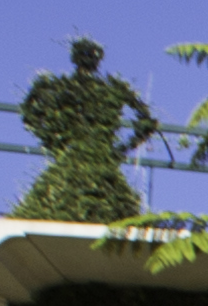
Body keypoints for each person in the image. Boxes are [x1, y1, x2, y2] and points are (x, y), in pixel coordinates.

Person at [15, 39, 156, 223]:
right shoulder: (106, 89)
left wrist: (54, 142)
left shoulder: (63, 86)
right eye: (85, 55)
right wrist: (119, 151)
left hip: (86, 160)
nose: (88, 59)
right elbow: (146, 122)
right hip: (91, 161)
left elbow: (29, 113)